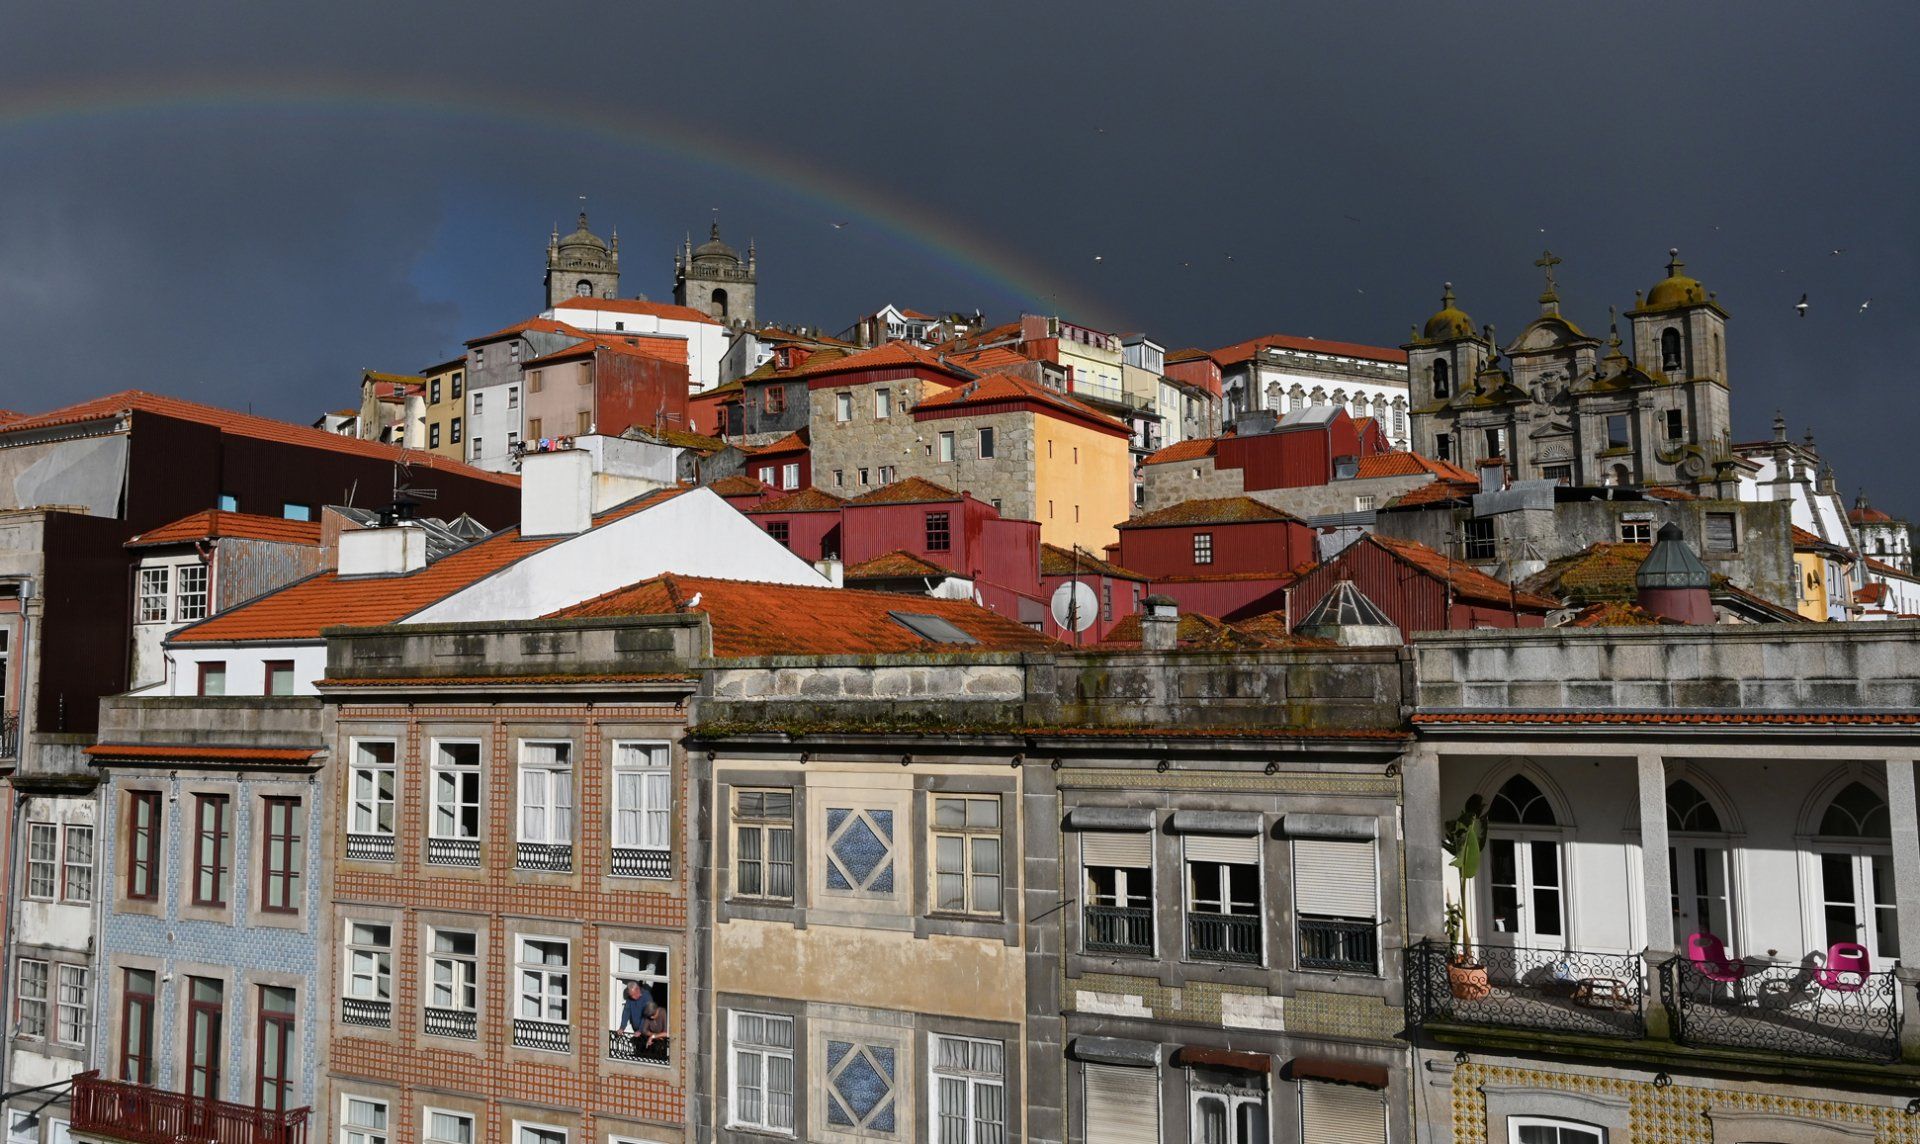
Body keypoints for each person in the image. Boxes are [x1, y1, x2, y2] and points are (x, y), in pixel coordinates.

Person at [617, 981, 668, 1053]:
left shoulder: (646, 996)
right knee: (638, 1049)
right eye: (631, 995)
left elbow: (646, 1016)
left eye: (633, 995)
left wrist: (640, 1030)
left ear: (638, 989)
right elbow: (626, 1011)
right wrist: (622, 1027)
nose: (632, 997)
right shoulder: (630, 997)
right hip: (637, 1030)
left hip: (646, 1030)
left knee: (649, 1050)